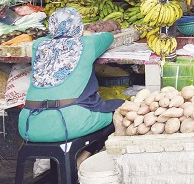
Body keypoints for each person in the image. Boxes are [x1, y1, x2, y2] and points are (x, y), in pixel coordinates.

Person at [19, 8, 123, 143]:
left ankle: (43, 161)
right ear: (79, 26)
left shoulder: (38, 45)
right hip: (69, 123)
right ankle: (83, 156)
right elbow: (108, 37)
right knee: (121, 108)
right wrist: (87, 34)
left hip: (28, 125)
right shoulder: (86, 44)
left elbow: (48, 38)